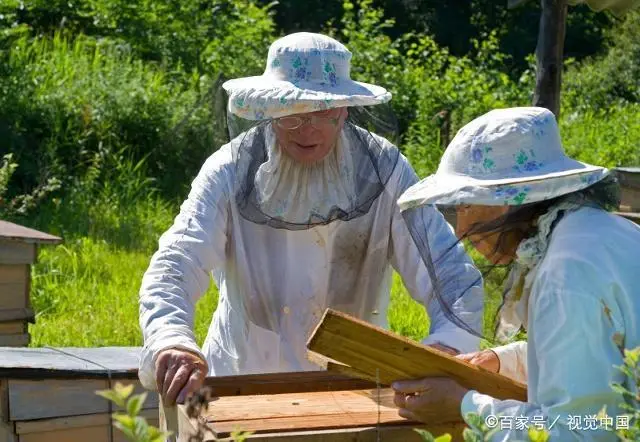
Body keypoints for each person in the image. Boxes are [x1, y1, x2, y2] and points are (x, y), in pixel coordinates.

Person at [137, 32, 485, 406]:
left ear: (345, 108)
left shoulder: (386, 169)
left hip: (356, 385)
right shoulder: (229, 169)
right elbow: (177, 261)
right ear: (270, 109)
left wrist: (448, 346)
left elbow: (448, 269)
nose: (309, 129)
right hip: (243, 380)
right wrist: (171, 338)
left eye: (323, 111)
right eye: (294, 113)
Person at [393, 106, 640, 440]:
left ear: (509, 200)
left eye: (467, 205)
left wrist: (466, 407)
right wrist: (500, 361)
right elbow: (597, 355)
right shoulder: (606, 234)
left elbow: (581, 431)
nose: (462, 228)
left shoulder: (564, 276)